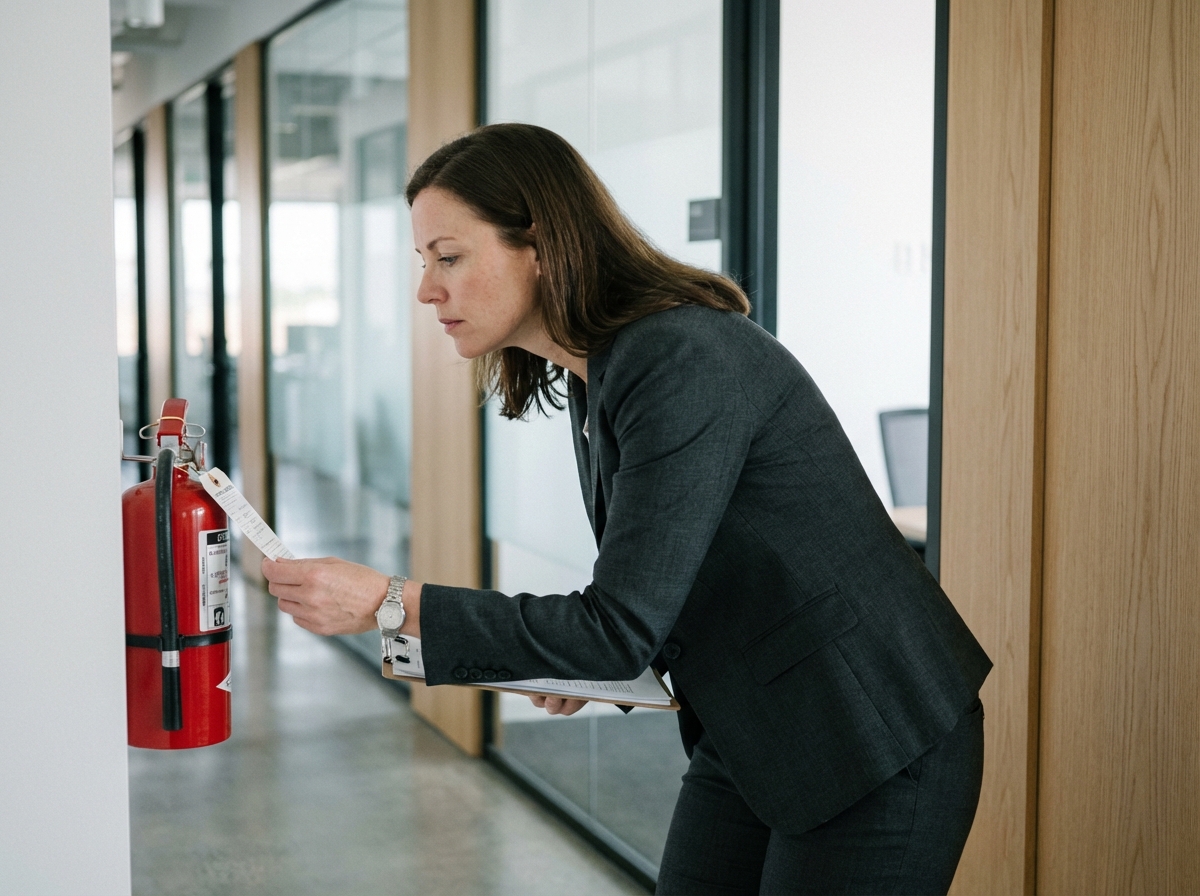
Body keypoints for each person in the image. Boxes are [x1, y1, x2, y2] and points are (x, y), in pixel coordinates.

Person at [263, 122, 991, 895]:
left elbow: (616, 627)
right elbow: (657, 592)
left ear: (539, 243)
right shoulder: (599, 374)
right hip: (754, 728)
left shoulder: (678, 356)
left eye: (449, 257)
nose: (427, 289)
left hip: (872, 731)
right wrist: (574, 657)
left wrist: (387, 601)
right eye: (424, 261)